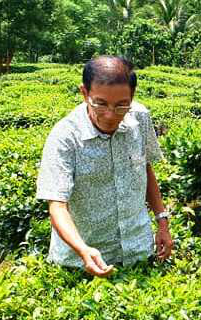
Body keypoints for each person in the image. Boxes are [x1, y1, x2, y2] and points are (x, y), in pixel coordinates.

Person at [36, 55, 173, 277]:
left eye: (121, 105)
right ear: (84, 93)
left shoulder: (140, 118)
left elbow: (145, 168)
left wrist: (162, 221)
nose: (110, 115)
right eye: (100, 104)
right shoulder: (65, 137)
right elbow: (57, 206)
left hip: (138, 251)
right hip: (82, 262)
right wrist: (82, 250)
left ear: (132, 97)